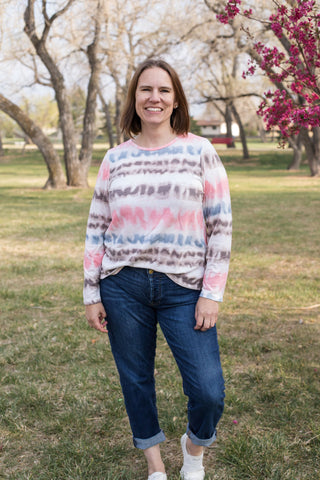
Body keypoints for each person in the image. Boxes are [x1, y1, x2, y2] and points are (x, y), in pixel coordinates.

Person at [84, 58, 232, 480]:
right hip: (122, 284)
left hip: (184, 288)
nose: (154, 98)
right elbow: (97, 229)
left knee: (208, 392)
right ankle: (155, 467)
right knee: (136, 380)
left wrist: (211, 292)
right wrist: (92, 293)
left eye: (164, 90)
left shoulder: (199, 150)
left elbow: (220, 226)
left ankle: (193, 449)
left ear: (175, 99)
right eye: (146, 90)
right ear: (134, 99)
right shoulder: (115, 158)